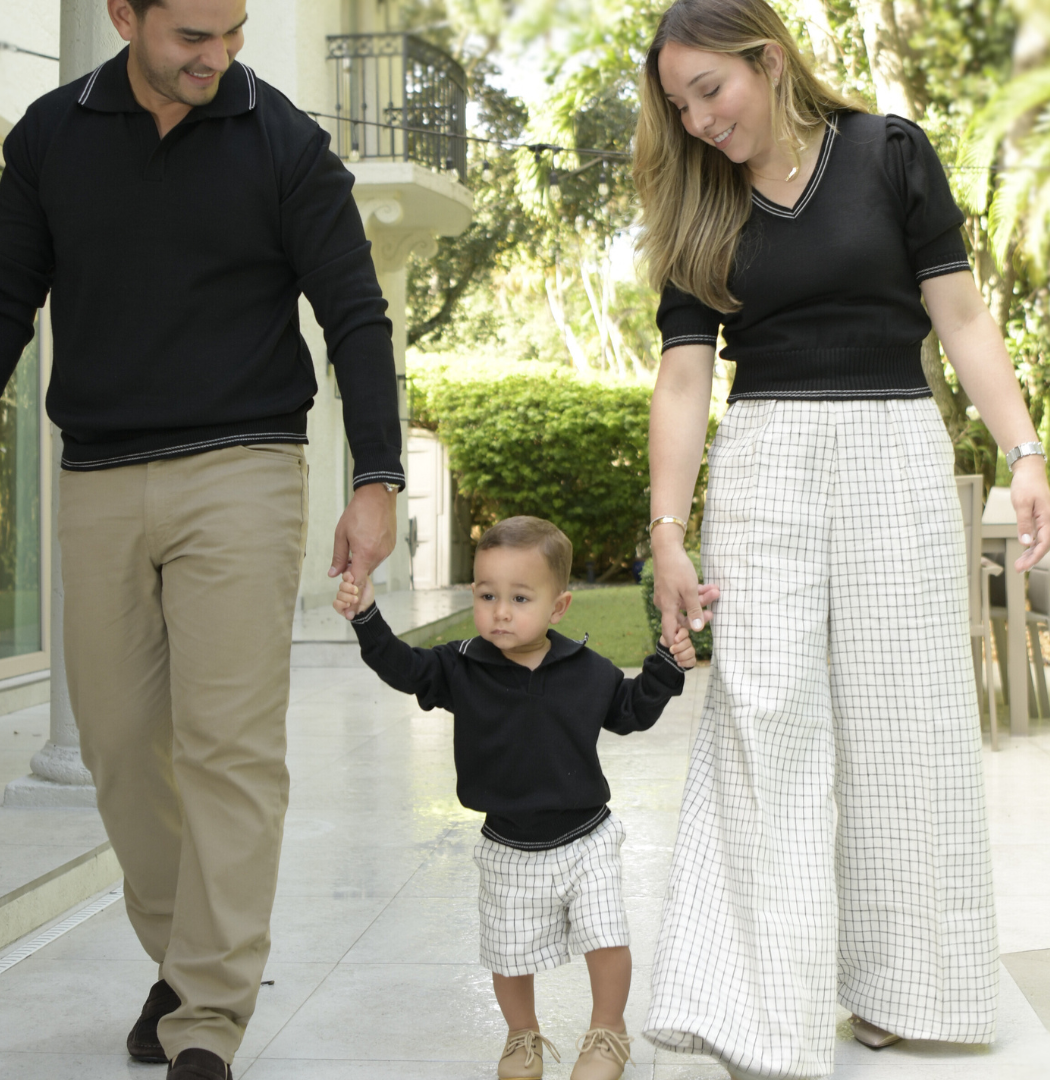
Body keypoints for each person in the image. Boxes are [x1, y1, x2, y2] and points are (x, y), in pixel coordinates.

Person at [0, 1, 405, 1077]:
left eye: (235, 32)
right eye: (191, 37)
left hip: (244, 472)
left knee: (228, 746)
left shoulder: (285, 143)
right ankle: (186, 954)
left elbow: (355, 314)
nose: (219, 58)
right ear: (124, 15)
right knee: (120, 752)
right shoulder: (49, 135)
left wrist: (378, 476)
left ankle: (207, 1012)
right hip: (100, 476)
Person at [632, 2, 1050, 1079]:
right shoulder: (697, 200)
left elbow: (959, 315)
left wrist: (1025, 452)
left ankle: (908, 990)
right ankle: (763, 1005)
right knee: (763, 720)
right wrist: (667, 533)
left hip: (894, 454)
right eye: (679, 106)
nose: (698, 121)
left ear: (768, 61)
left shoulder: (887, 153)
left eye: (710, 92)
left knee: (904, 727)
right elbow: (684, 378)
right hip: (764, 462)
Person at [334, 516, 711, 1080]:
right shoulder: (461, 666)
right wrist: (365, 616)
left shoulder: (586, 671)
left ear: (557, 607)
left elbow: (631, 711)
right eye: (488, 596)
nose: (501, 611)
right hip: (508, 845)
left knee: (606, 937)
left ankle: (608, 1031)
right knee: (508, 955)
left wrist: (665, 662)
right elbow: (402, 667)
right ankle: (521, 1035)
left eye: (519, 598)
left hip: (588, 838)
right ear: (473, 595)